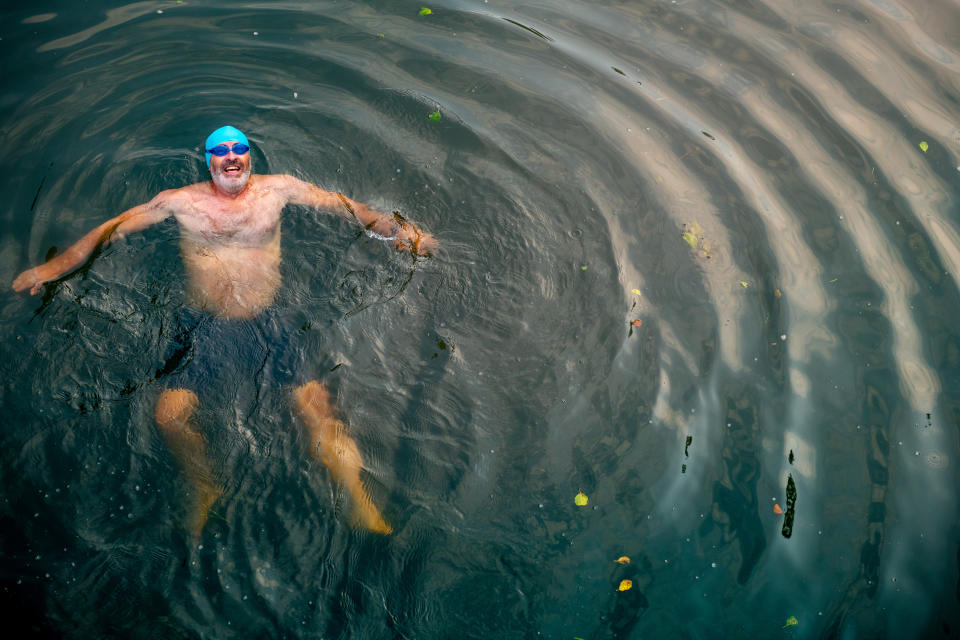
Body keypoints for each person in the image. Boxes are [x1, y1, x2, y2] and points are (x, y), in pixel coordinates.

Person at [12, 125, 437, 537]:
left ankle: (359, 501)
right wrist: (49, 269)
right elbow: (109, 231)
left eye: (238, 147)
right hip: (203, 327)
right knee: (169, 417)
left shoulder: (280, 189)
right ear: (209, 161)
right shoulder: (179, 202)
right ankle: (204, 485)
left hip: (268, 324)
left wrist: (403, 232)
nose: (231, 155)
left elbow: (348, 208)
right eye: (221, 149)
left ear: (249, 156)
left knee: (316, 411)